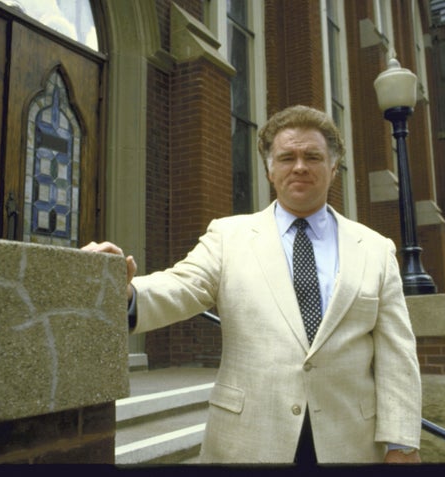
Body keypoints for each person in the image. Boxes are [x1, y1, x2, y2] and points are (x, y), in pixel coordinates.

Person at [83, 105, 422, 464]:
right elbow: (182, 285)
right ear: (269, 169)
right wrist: (127, 293)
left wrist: (402, 442)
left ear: (333, 168)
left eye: (313, 156)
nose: (300, 166)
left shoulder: (375, 248)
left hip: (349, 443)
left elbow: (396, 353)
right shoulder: (229, 236)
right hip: (247, 440)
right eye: (287, 157)